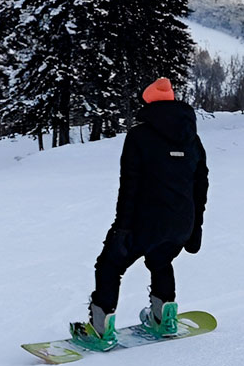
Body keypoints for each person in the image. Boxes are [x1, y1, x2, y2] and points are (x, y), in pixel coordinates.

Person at [70, 77, 209, 349]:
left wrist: (122, 229)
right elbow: (201, 183)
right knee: (160, 260)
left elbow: (129, 185)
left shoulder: (139, 136)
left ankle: (100, 330)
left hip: (145, 220)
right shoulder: (192, 138)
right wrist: (195, 228)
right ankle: (164, 318)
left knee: (110, 265)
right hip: (181, 221)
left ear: (147, 102)